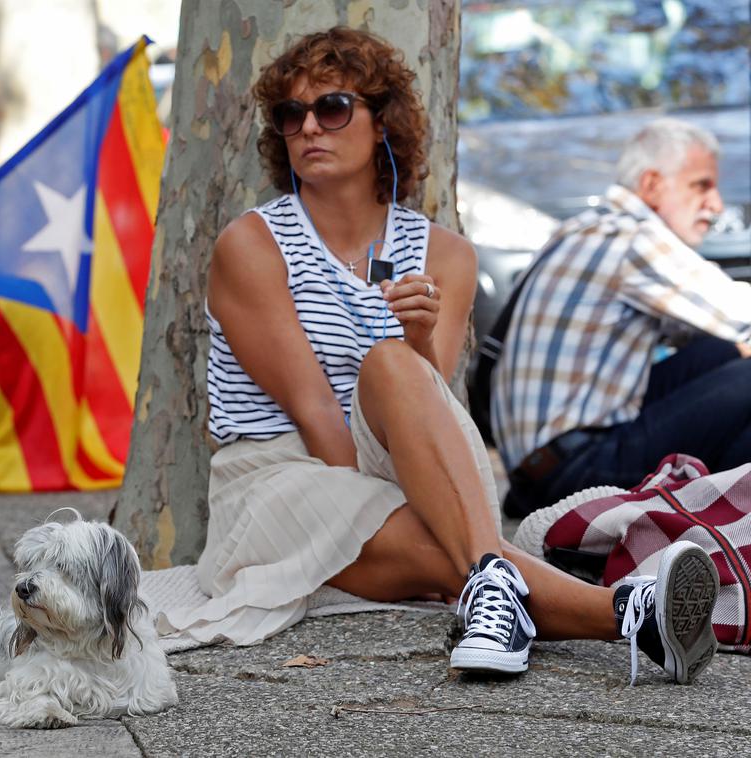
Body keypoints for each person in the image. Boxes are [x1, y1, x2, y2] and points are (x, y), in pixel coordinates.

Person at [157, 28, 719, 685]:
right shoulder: (250, 246)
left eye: (332, 108)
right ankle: (630, 612)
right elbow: (315, 416)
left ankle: (500, 584)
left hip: (405, 468)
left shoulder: (446, 257)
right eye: (291, 114)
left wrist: (420, 341)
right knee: (439, 548)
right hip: (280, 477)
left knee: (395, 365)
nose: (308, 126)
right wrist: (419, 508)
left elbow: (429, 403)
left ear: (381, 123)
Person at [492, 118, 751, 519]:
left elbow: (713, 333)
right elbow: (741, 313)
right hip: (577, 472)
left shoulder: (581, 228)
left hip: (537, 472)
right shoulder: (633, 240)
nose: (716, 205)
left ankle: (727, 523)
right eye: (701, 185)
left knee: (718, 353)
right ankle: (727, 525)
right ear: (651, 185)